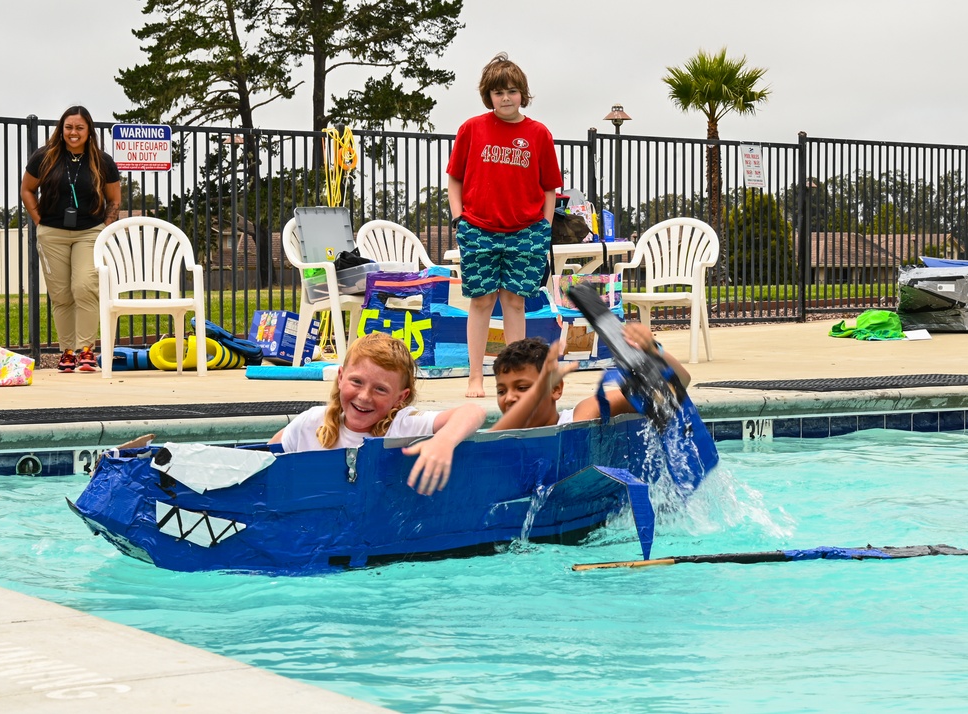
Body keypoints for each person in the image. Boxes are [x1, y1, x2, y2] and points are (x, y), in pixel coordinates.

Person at [447, 52, 562, 399]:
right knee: (481, 301)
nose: (506, 98)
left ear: (522, 94)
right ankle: (475, 379)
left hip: (527, 231)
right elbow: (455, 179)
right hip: (478, 229)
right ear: (489, 96)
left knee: (515, 302)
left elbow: (549, 187)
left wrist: (544, 226)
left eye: (512, 91)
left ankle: (516, 379)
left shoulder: (539, 134)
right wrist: (459, 219)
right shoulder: (471, 129)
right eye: (498, 92)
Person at [270, 332, 487, 496]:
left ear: (400, 398)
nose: (365, 396)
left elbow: (473, 411)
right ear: (341, 377)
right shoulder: (312, 422)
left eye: (380, 389)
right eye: (356, 382)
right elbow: (268, 457)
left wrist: (443, 442)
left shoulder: (403, 425)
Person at [20, 106, 121, 374]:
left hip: (89, 232)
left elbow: (115, 200)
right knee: (61, 295)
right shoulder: (44, 157)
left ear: (89, 131)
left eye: (79, 128)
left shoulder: (102, 161)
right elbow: (27, 190)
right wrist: (38, 219)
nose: (73, 133)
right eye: (68, 127)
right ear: (61, 129)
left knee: (85, 287)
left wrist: (104, 226)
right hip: (52, 232)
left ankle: (86, 351)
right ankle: (66, 353)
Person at [489, 326, 692, 431]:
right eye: (501, 391)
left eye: (523, 388)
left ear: (556, 389)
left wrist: (653, 350)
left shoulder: (581, 417)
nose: (509, 398)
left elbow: (675, 388)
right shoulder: (499, 438)